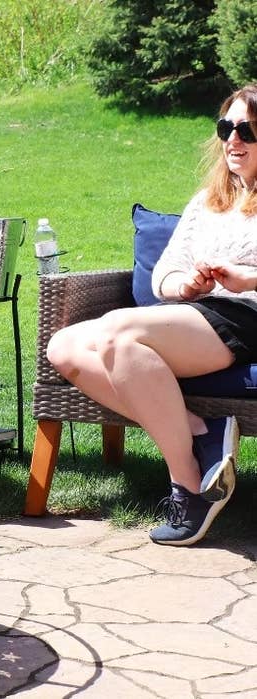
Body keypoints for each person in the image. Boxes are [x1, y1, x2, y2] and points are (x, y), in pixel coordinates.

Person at [46, 83, 257, 546]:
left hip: (247, 318)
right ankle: (201, 430)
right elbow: (167, 270)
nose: (233, 140)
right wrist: (183, 286)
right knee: (62, 347)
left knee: (120, 333)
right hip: (195, 312)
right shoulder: (209, 202)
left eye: (248, 130)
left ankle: (187, 484)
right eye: (227, 127)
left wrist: (248, 280)